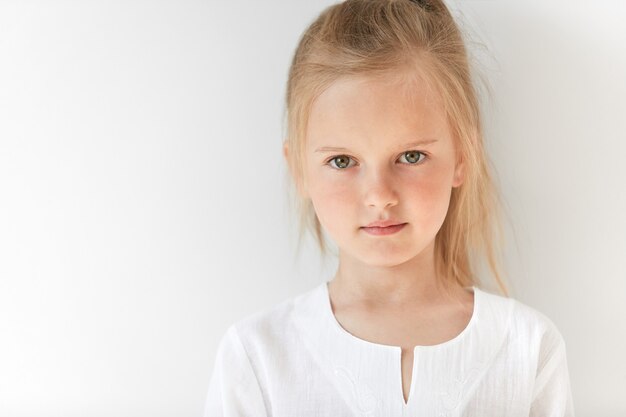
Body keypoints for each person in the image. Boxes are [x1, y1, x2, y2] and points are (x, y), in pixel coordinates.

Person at [203, 0, 575, 415]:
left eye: (411, 156)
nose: (379, 195)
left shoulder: (527, 349)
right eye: (342, 161)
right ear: (300, 170)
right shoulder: (258, 359)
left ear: (462, 155)